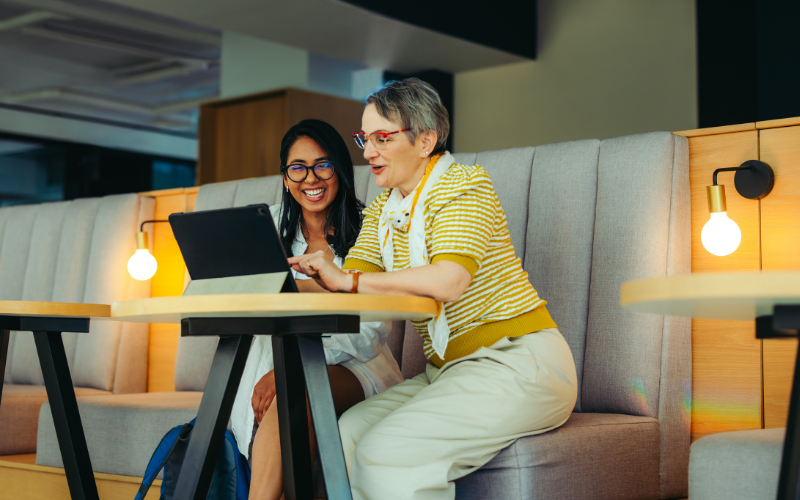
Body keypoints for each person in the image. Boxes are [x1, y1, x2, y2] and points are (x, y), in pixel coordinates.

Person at [288, 79, 578, 500]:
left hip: (519, 363)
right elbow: (343, 288)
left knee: (389, 451)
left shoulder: (464, 185)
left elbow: (448, 280)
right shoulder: (385, 208)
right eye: (364, 138)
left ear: (426, 140)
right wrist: (276, 282)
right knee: (346, 435)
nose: (367, 152)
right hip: (448, 371)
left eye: (382, 138)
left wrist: (347, 279)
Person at [229, 119, 404, 499]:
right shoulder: (267, 225)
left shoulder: (372, 226)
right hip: (274, 365)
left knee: (295, 388)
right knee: (290, 394)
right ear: (285, 175)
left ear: (339, 169)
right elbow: (230, 289)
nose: (311, 178)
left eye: (323, 165)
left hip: (356, 368)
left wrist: (292, 366)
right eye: (298, 168)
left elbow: (372, 326)